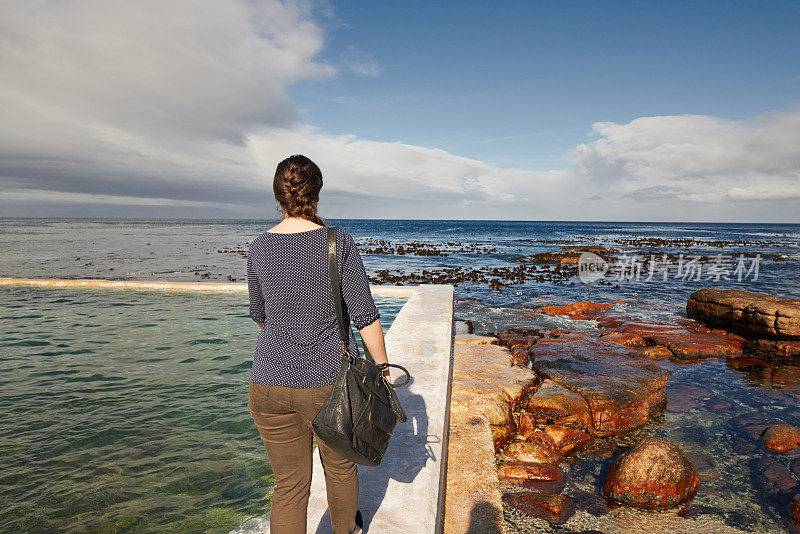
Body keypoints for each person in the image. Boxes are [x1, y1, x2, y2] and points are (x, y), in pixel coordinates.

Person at [246, 154, 391, 534]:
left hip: (267, 383)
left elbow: (260, 316)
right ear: (317, 192)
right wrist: (383, 369)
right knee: (340, 470)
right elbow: (365, 316)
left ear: (278, 194)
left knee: (289, 487)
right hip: (328, 383)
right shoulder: (337, 241)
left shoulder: (259, 247)